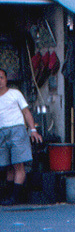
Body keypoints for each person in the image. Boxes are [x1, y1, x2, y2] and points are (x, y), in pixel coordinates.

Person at [0, 69, 42, 205]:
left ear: (6, 80)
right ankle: (9, 196)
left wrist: (33, 130)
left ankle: (15, 197)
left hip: (17, 130)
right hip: (2, 132)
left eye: (1, 78)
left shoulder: (15, 93)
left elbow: (26, 112)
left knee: (19, 165)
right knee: (8, 166)